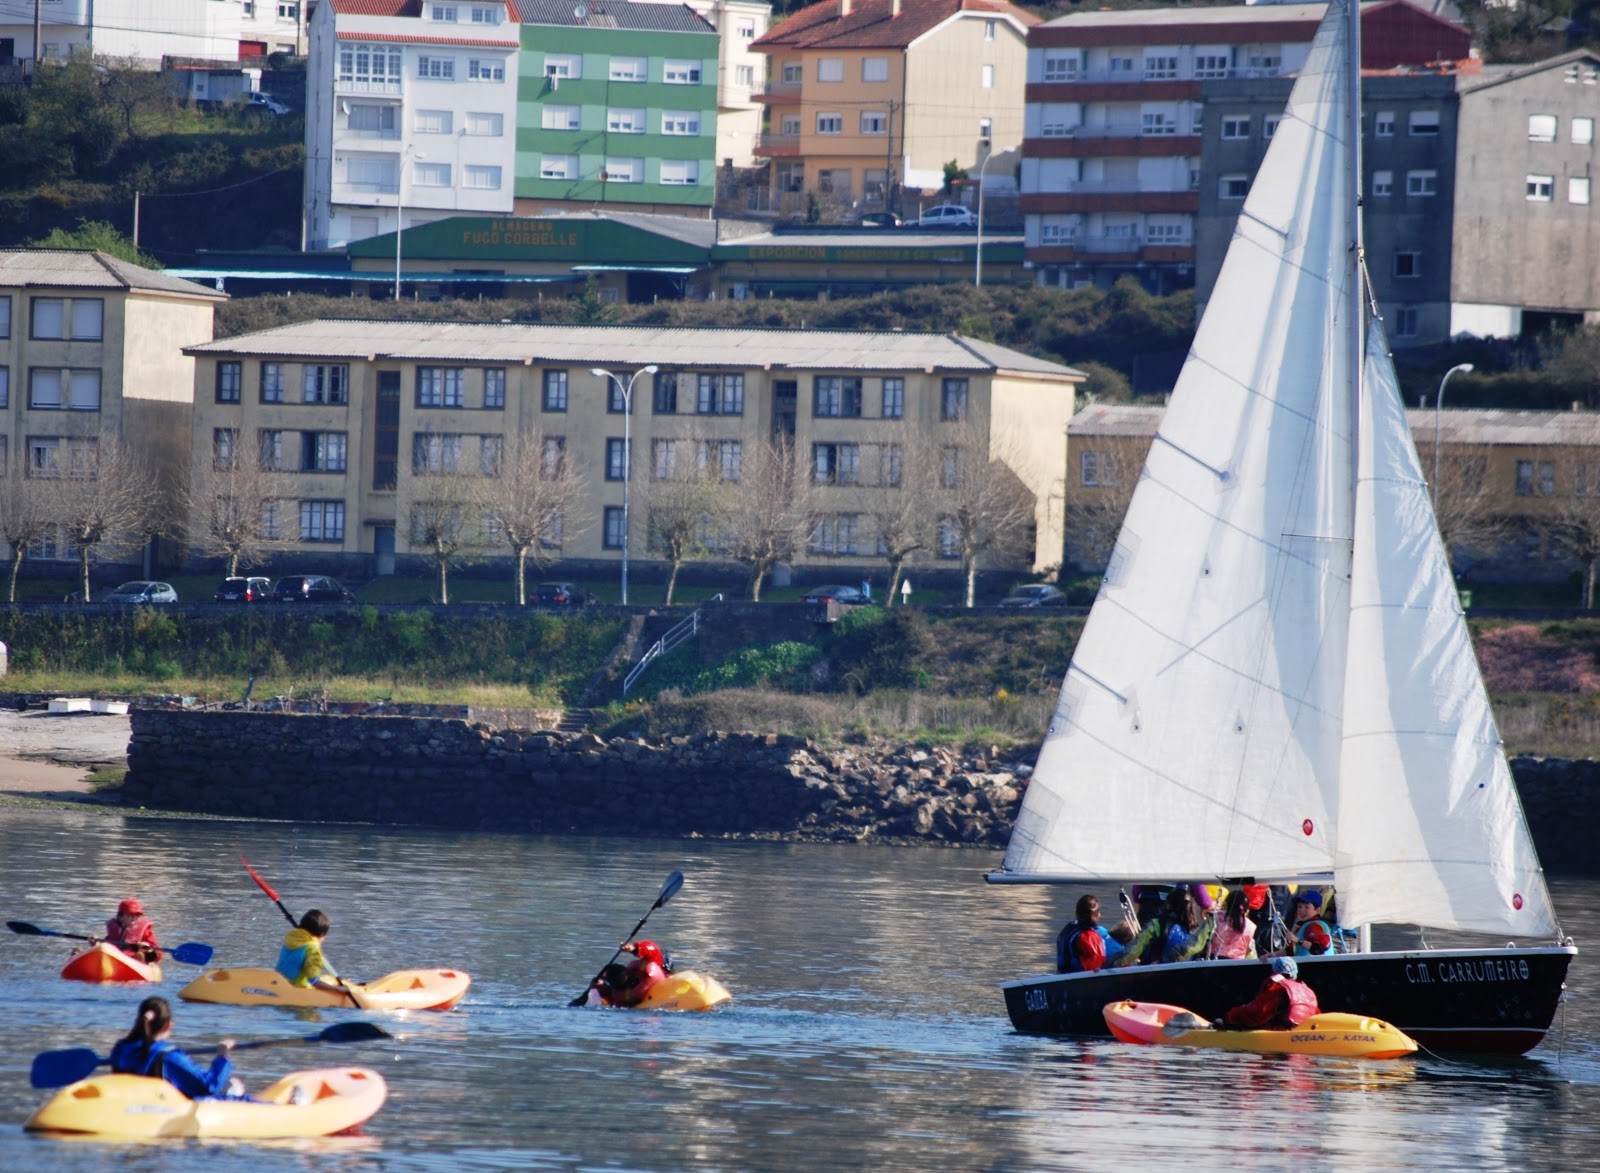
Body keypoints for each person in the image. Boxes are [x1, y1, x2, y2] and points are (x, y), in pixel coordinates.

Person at [109, 996, 245, 1099]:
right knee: (234, 1085)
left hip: (127, 1103)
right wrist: (222, 1057)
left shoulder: (121, 1048)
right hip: (158, 1110)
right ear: (169, 1024)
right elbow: (209, 1086)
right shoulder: (169, 1056)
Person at [1114, 885, 1214, 967]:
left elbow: (1136, 892)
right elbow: (1201, 894)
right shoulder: (1191, 934)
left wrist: (1111, 963)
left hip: (1149, 907)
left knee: (1146, 950)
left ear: (1168, 904)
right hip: (1180, 907)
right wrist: (1210, 907)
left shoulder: (1154, 925)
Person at [1215, 956, 1320, 1030]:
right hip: (1305, 1032)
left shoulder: (1278, 987)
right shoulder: (1307, 990)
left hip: (1283, 1033)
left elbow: (1258, 1013)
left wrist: (1231, 1016)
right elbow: (1317, 1017)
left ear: (1276, 971)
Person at [1055, 894, 1131, 973]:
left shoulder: (1068, 928)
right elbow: (1095, 968)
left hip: (1062, 974)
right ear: (1097, 915)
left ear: (1076, 913)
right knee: (1121, 956)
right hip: (1081, 979)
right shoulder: (1089, 936)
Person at [589, 939, 671, 1008]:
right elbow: (654, 951)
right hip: (660, 985)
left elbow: (610, 997)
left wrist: (600, 987)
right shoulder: (649, 970)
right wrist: (634, 949)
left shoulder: (619, 997)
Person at [275, 908, 340, 989]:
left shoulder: (290, 939)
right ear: (321, 935)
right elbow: (314, 981)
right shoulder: (313, 949)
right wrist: (337, 989)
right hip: (296, 989)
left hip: (277, 983)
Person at [94, 897, 161, 964]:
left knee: (141, 954)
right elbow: (107, 945)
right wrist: (96, 944)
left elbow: (158, 953)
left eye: (137, 915)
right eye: (130, 914)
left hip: (134, 959)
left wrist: (146, 947)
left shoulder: (145, 931)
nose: (134, 918)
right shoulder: (114, 929)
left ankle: (141, 960)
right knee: (102, 948)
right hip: (115, 959)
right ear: (120, 917)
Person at [1285, 889, 1334, 957]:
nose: (1302, 910)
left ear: (1317, 910)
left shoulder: (1314, 926)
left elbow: (1319, 949)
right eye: (1299, 906)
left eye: (1306, 907)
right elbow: (1290, 951)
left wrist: (1297, 940)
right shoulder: (1302, 926)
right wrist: (1273, 954)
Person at [1211, 888, 1258, 960]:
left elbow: (1195, 946)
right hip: (1237, 967)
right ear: (1247, 910)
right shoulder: (1250, 927)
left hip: (1213, 964)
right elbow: (1251, 955)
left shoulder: (1215, 919)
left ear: (1225, 905)